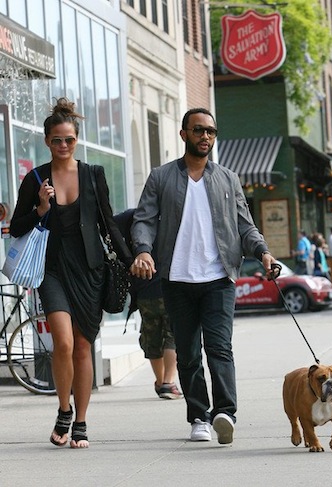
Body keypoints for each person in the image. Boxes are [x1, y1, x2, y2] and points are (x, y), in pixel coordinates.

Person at [129, 108, 278, 445]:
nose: (205, 137)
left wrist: (263, 253)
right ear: (184, 134)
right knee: (188, 352)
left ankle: (225, 413)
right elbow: (144, 219)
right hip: (177, 278)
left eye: (211, 131)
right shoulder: (161, 177)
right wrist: (142, 249)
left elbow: (245, 226)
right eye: (198, 130)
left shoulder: (228, 178)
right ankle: (199, 416)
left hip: (218, 277)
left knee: (219, 348)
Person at [9, 98, 133, 448]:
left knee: (82, 346)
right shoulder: (35, 178)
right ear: (46, 141)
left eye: (69, 140)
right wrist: (41, 208)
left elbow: (108, 224)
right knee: (62, 342)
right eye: (56, 140)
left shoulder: (93, 175)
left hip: (89, 270)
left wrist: (131, 258)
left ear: (77, 140)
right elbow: (17, 226)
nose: (63, 146)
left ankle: (80, 421)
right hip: (52, 270)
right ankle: (64, 408)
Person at [114, 209, 183, 400]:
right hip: (169, 284)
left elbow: (108, 227)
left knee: (151, 335)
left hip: (143, 288)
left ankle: (160, 381)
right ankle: (168, 383)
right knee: (171, 335)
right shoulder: (172, 216)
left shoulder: (130, 218)